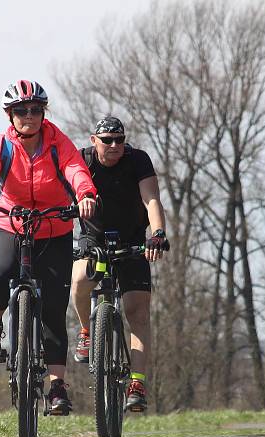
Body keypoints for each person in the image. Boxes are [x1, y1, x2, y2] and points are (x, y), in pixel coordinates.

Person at [0, 80, 96, 416]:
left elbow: (75, 169)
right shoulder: (0, 145)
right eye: (21, 110)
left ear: (43, 113)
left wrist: (86, 195)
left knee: (53, 309)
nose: (29, 116)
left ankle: (56, 386)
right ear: (10, 115)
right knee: (2, 272)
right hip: (10, 222)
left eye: (35, 109)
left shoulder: (57, 142)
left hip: (54, 226)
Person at [70, 117, 168, 413]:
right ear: (93, 140)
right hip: (93, 238)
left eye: (119, 140)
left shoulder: (137, 159)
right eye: (107, 140)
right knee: (79, 281)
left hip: (133, 240)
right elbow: (65, 195)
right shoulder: (81, 160)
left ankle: (136, 383)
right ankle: (87, 331)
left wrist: (158, 234)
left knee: (137, 310)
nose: (114, 146)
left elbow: (151, 200)